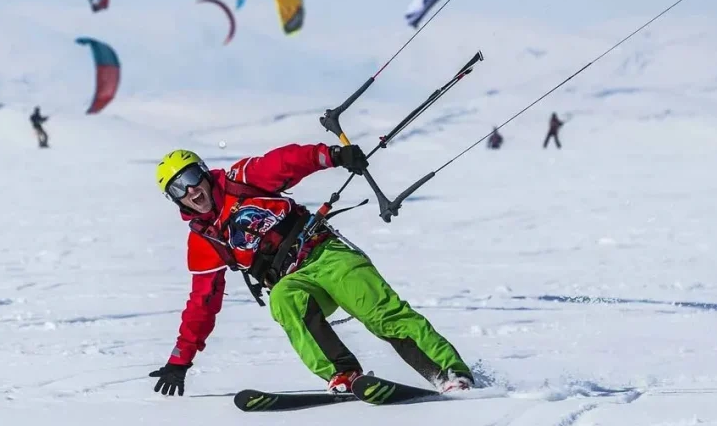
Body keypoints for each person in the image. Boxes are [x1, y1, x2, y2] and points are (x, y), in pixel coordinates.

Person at [148, 144, 474, 398]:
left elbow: (286, 162)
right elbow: (202, 304)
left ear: (204, 174)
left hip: (325, 254)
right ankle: (343, 372)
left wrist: (331, 156)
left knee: (378, 311)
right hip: (294, 280)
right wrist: (180, 359)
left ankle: (448, 373)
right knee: (282, 298)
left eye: (191, 179)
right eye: (178, 189)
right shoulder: (204, 241)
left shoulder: (242, 179)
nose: (190, 191)